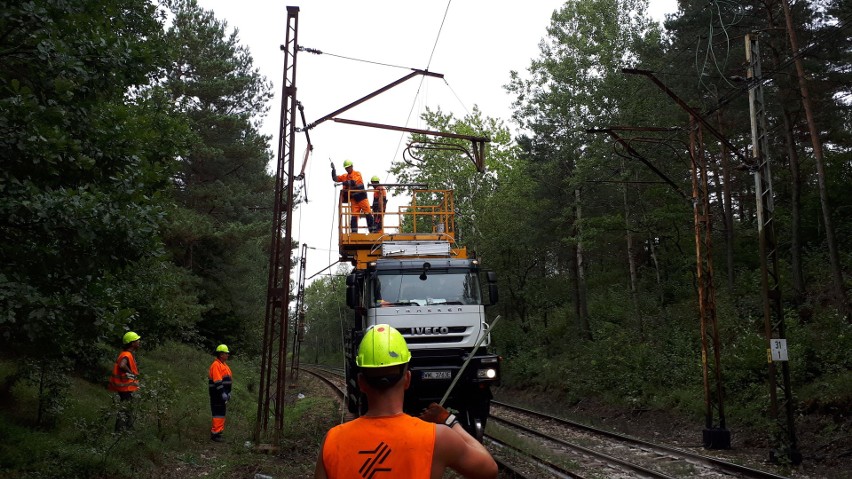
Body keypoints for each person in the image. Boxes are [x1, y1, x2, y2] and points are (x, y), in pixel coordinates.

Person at [314, 325, 498, 479]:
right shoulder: (438, 438)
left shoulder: (331, 442)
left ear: (361, 383)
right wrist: (450, 421)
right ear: (408, 379)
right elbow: (489, 469)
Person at [108, 331, 141, 432]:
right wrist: (130, 372)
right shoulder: (127, 354)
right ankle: (120, 431)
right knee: (125, 408)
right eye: (137, 340)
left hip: (125, 386)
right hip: (125, 387)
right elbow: (122, 365)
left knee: (127, 407)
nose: (139, 342)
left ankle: (128, 429)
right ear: (132, 343)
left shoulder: (127, 353)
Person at [331, 160, 376, 233]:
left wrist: (341, 183)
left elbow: (353, 182)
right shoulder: (345, 176)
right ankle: (354, 232)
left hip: (362, 197)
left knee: (368, 213)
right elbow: (335, 179)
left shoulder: (357, 174)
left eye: (348, 167)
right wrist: (333, 170)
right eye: (346, 168)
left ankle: (372, 231)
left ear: (352, 166)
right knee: (354, 216)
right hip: (354, 199)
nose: (347, 169)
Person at [208, 344, 233, 442]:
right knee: (218, 414)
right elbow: (218, 381)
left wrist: (228, 392)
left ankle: (219, 432)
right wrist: (222, 393)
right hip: (217, 394)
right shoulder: (216, 365)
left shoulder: (224, 365)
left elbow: (227, 380)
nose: (228, 355)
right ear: (221, 354)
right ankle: (215, 434)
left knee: (221, 414)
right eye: (226, 353)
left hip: (222, 394)